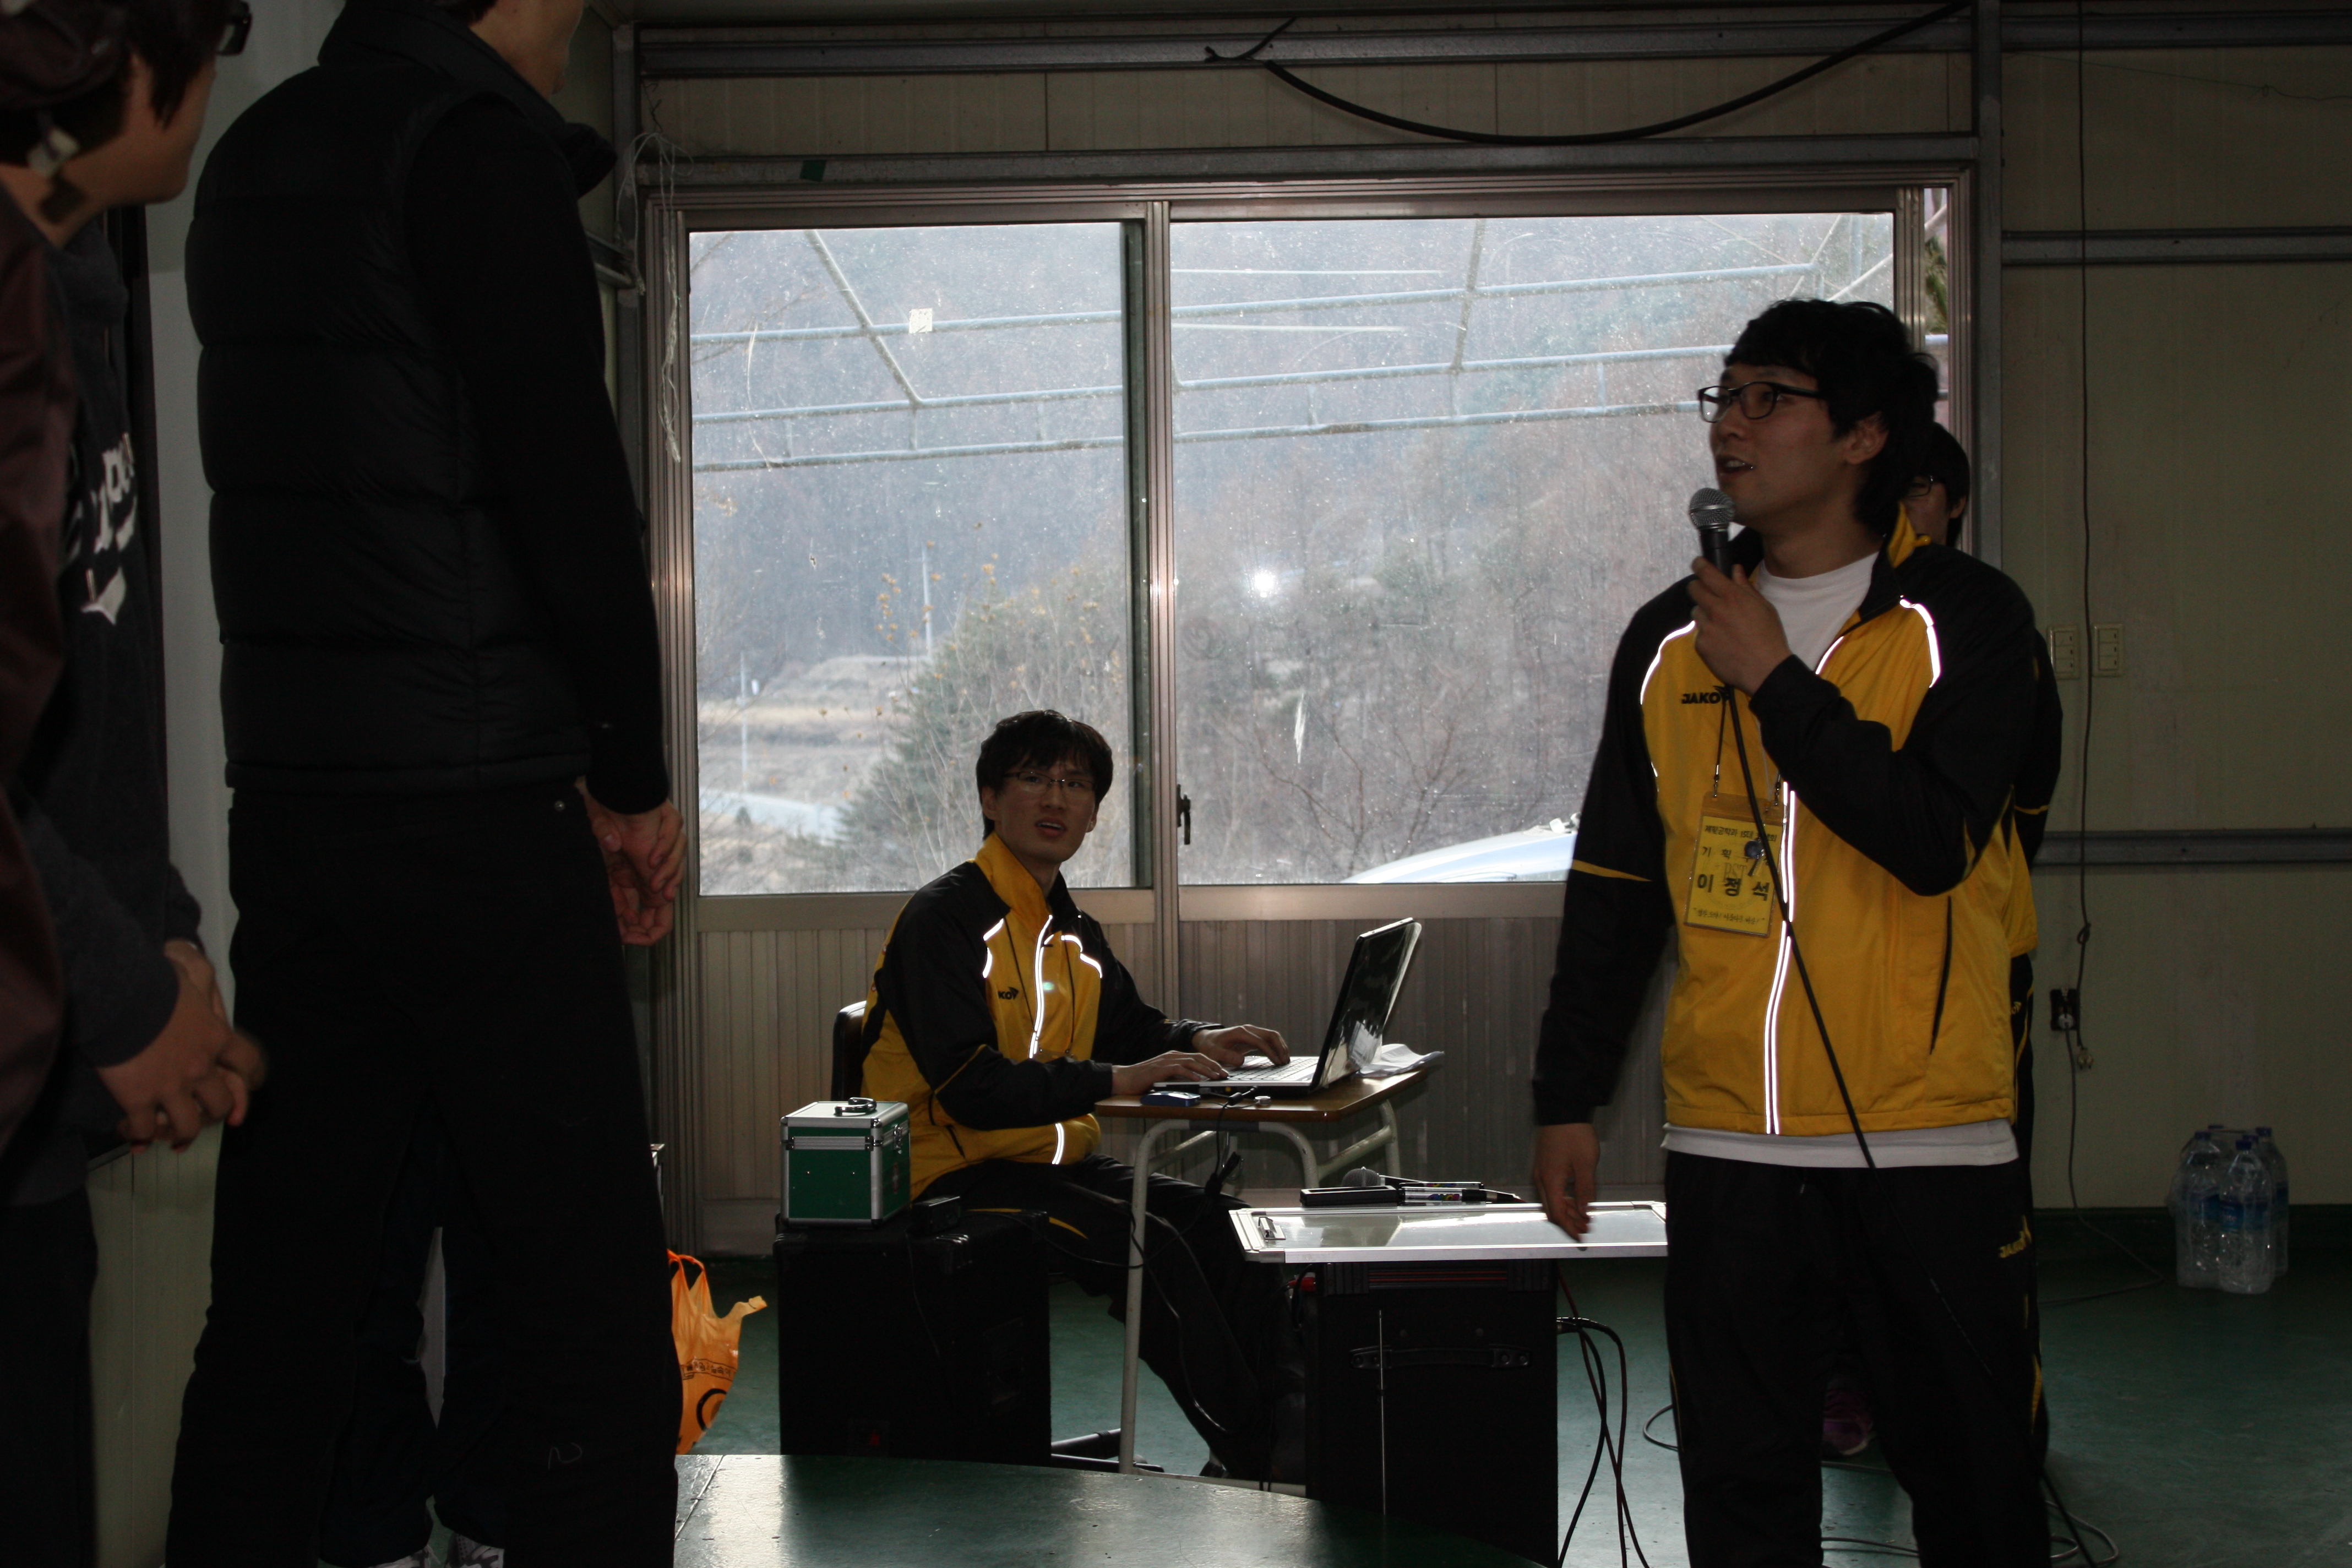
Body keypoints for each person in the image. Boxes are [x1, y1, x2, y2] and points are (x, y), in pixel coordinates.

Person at [170, 0, 685, 1559]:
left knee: (288, 1288)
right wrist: (631, 774)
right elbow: (565, 484)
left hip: (298, 812)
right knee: (584, 1287)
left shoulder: (251, 156)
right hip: (480, 802)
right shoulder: (470, 151)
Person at [1531, 300, 2050, 1566]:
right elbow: (1616, 884)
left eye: (1772, 397)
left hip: (1929, 1140)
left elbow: (1931, 836)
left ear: (1866, 433)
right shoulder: (1668, 637)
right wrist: (1566, 1094)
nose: (1734, 425)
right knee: (1741, 1493)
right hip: (1729, 1146)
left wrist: (1775, 678)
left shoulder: (1967, 620)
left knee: (1977, 1492)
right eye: (1726, 396)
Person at [0, 0, 261, 1560]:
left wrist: (158, 931)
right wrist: (118, 986)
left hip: (40, 1086)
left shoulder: (71, 270)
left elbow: (88, 671)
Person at [861, 709, 1304, 1480]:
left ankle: (1294, 1421)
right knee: (1151, 1247)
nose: (1055, 798)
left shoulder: (1072, 931)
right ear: (990, 798)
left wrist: (1199, 1038)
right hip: (947, 1180)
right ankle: (1261, 1452)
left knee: (1223, 1224)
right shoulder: (944, 920)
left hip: (1044, 1165)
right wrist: (1113, 1081)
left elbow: (1128, 1027)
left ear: (1095, 813)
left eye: (1074, 784)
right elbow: (970, 1087)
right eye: (1034, 778)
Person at [1817, 423, 2063, 1462]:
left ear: (1953, 503)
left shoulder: (1988, 624)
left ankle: (2007, 1408)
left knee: (1979, 1209)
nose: (1902, 512)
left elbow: (2030, 792)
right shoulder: (1830, 621)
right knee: (1840, 1193)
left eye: (1918, 490)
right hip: (1840, 968)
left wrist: (1976, 882)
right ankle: (1853, 1382)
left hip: (1975, 968)